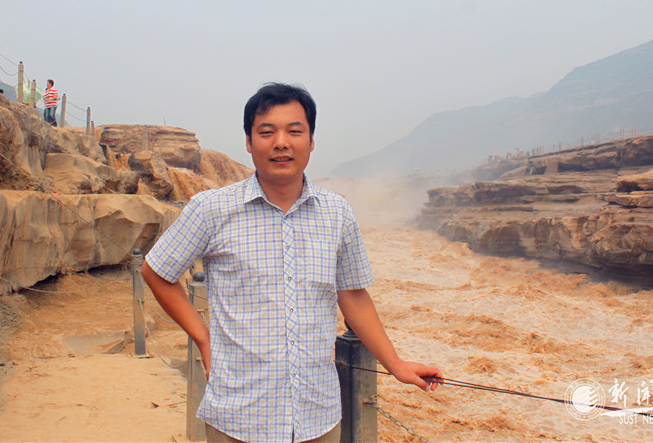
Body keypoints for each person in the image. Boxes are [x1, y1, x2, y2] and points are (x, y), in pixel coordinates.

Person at [142, 82, 442, 443]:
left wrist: (395, 364)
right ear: (249, 142)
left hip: (318, 417)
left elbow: (353, 295)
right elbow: (157, 272)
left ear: (311, 141)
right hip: (238, 416)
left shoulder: (337, 213)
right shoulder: (212, 209)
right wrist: (204, 339)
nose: (281, 142)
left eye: (295, 131)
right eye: (267, 132)